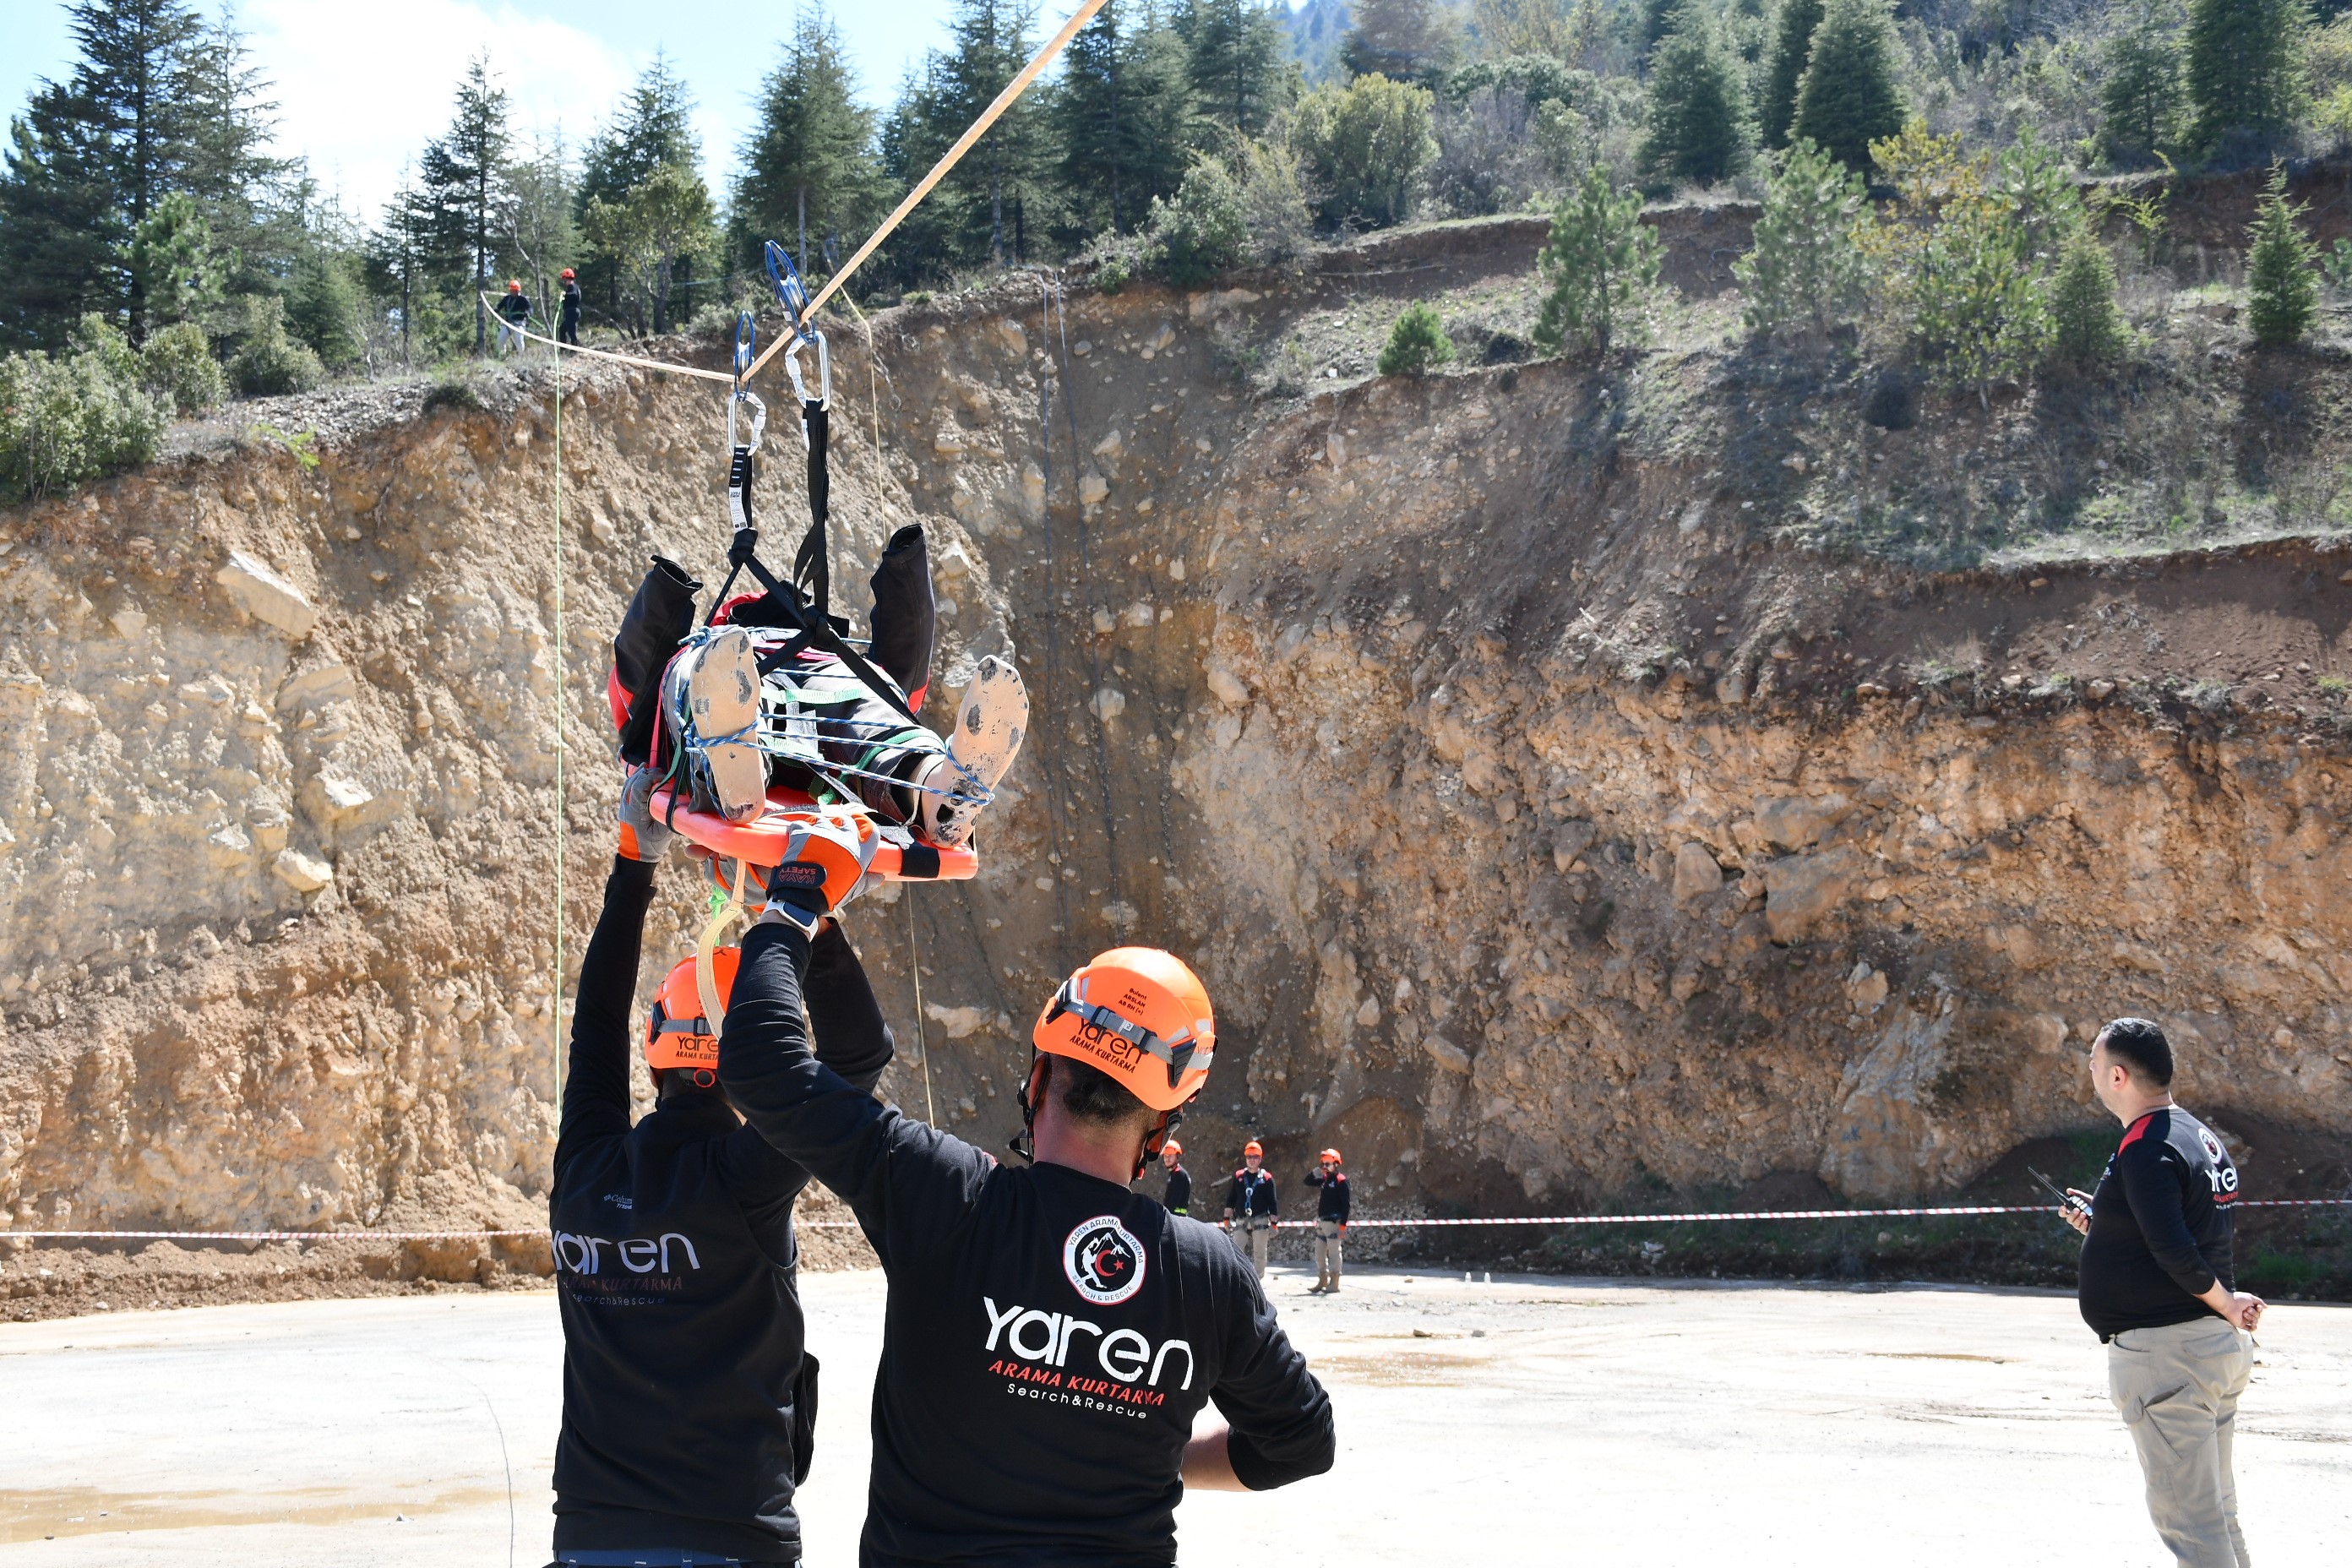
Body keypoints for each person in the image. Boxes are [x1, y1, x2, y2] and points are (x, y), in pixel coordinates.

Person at [714, 855, 1336, 1566]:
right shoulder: (1208, 1272)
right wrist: (1160, 1457)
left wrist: (793, 901)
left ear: (1040, 1074)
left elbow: (765, 1065)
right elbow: (1302, 1443)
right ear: (1163, 1124)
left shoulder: (948, 1196)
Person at [547, 776, 897, 1566]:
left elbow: (594, 1020)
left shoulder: (586, 1166)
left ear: (655, 1046)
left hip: (590, 1541)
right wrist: (806, 912)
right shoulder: (750, 1173)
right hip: (733, 1538)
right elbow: (860, 1056)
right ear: (755, 1061)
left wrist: (636, 858)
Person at [2061, 1017, 2266, 1568]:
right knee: (2216, 1518)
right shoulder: (2191, 1134)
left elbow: (2175, 1248)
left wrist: (2227, 1301)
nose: (2091, 1074)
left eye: (2094, 1065)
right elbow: (2187, 1232)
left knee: (2195, 1532)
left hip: (2171, 1358)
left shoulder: (2146, 1149)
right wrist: (2104, 1226)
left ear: (2119, 1075)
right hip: (2205, 1350)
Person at [1222, 1141, 1277, 1280]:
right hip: (1241, 1219)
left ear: (1260, 1159)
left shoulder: (1266, 1178)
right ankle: (1237, 1279)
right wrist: (1226, 1219)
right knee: (1236, 1251)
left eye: (1255, 1157)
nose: (1252, 1160)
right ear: (1246, 1158)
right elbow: (1231, 1198)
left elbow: (1273, 1202)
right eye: (1249, 1157)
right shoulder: (1239, 1176)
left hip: (1261, 1219)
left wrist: (1274, 1224)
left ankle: (1258, 1280)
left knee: (1259, 1253)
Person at [1303, 1149, 1349, 1293]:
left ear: (1336, 1164)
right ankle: (1322, 1280)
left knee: (1334, 1252)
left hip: (1334, 1222)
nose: (1325, 1166)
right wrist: (1318, 1170)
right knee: (1319, 1252)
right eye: (1323, 1164)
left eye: (1327, 1164)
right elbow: (1307, 1181)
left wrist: (1343, 1225)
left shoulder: (1341, 1180)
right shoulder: (1325, 1179)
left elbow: (1346, 1205)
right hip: (1322, 1222)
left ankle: (1334, 1283)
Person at [496, 279, 531, 355]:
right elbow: (500, 306)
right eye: (512, 290)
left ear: (518, 290)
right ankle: (502, 355)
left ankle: (521, 357)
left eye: (515, 290)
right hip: (507, 323)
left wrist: (527, 313)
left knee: (519, 340)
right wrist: (497, 310)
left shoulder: (523, 299)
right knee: (501, 339)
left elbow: (530, 308)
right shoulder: (507, 299)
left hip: (519, 323)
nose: (514, 292)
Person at [1157, 1139, 1190, 1216]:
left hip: (1177, 1218)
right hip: (1177, 1217)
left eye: (1170, 1155)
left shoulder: (1179, 1174)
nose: (1167, 1158)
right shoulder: (1175, 1174)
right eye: (1165, 1155)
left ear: (1178, 1156)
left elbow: (1173, 1201)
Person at [558, 266, 582, 345]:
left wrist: (565, 294)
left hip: (572, 312)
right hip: (571, 312)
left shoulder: (572, 286)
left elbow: (574, 295)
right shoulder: (573, 287)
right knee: (562, 329)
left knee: (571, 332)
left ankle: (574, 350)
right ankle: (563, 350)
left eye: (564, 279)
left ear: (566, 278)